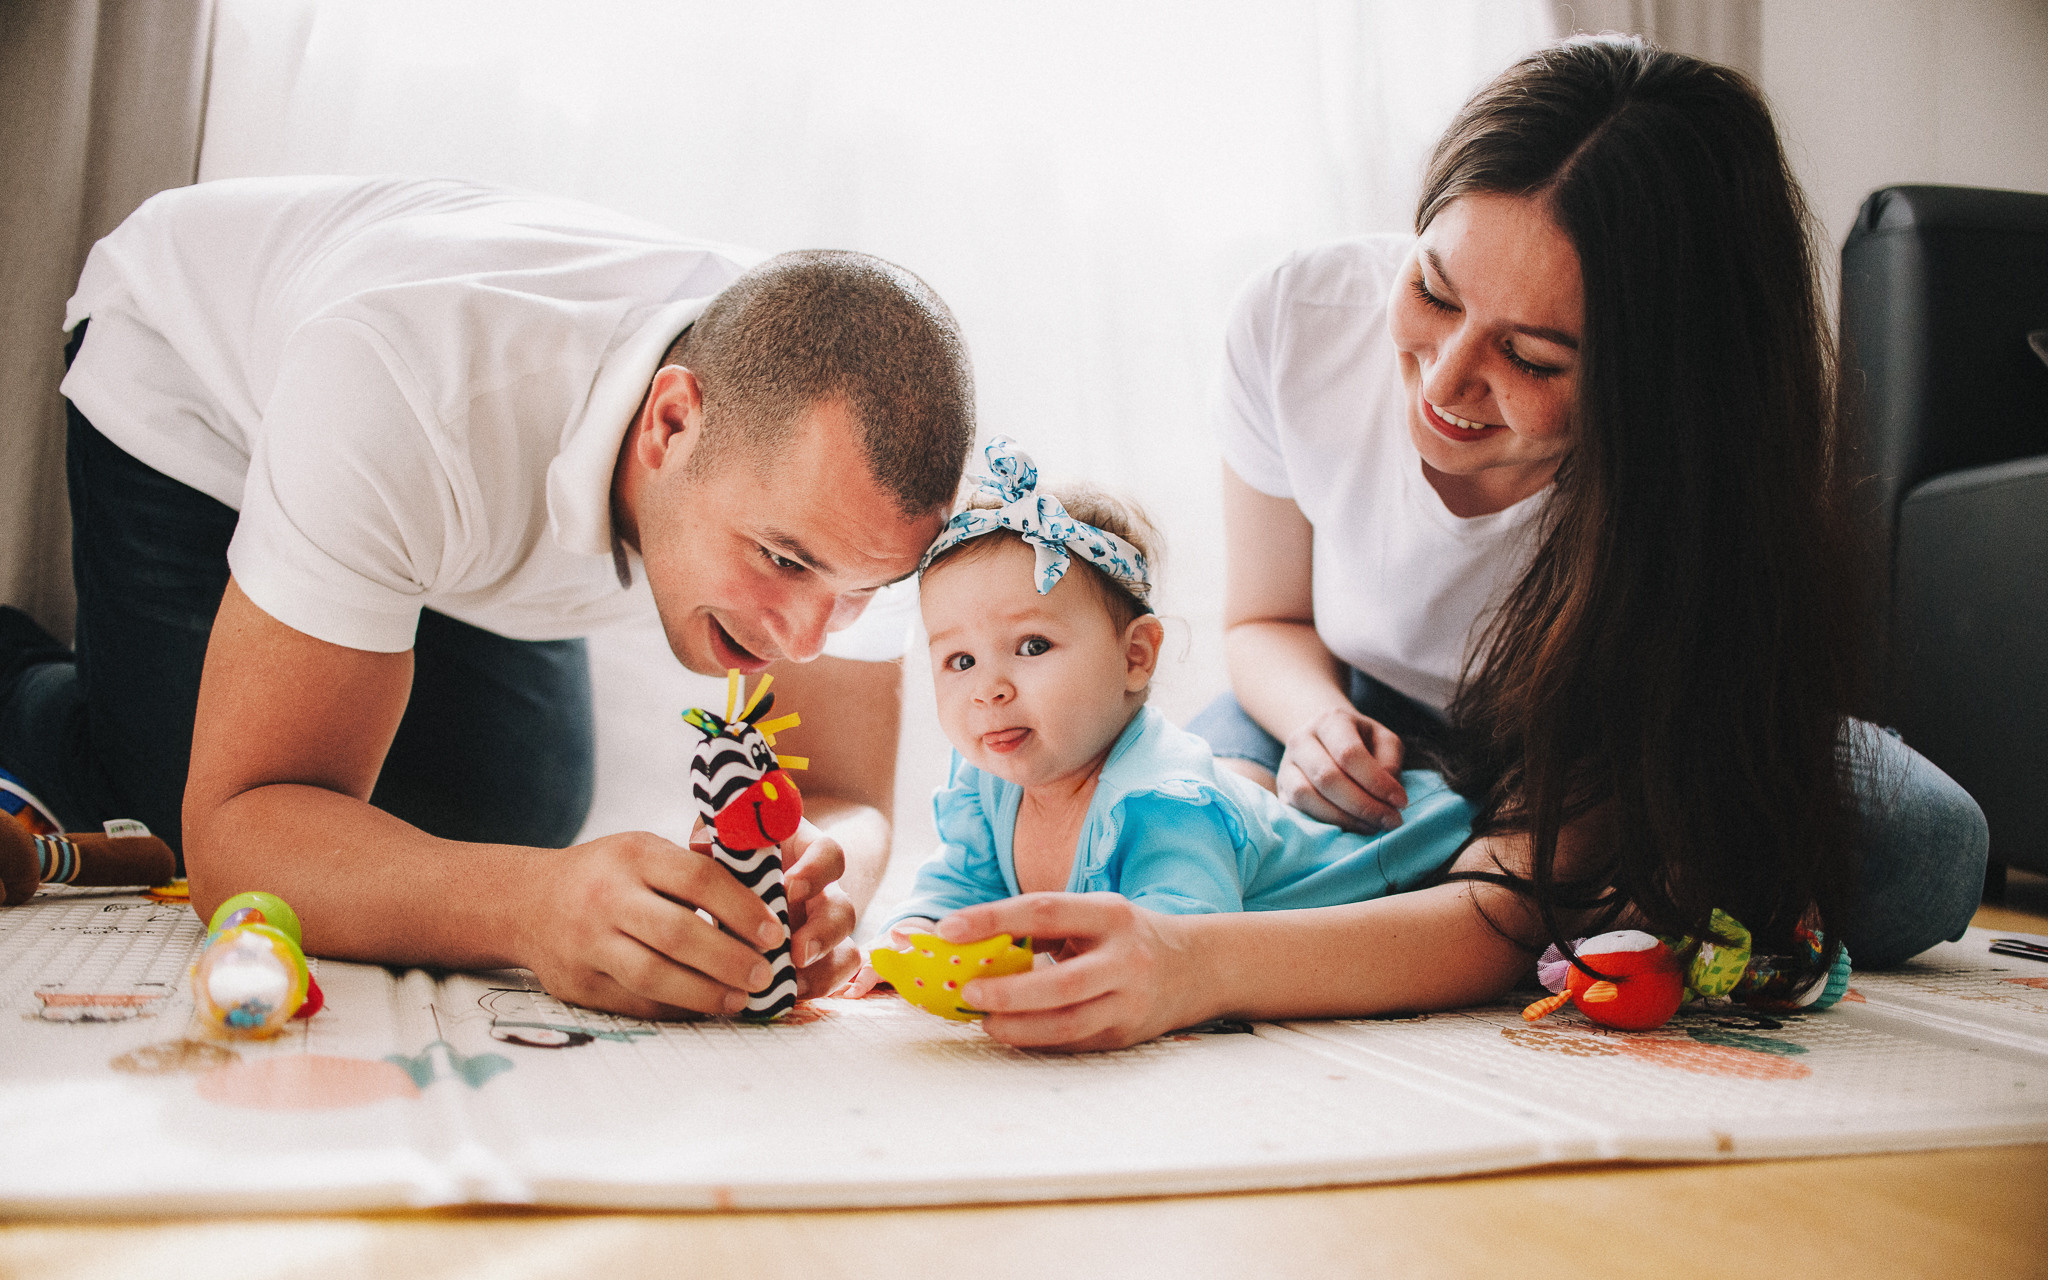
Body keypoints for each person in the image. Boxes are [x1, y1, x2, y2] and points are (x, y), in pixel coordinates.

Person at [914, 36, 1990, 1052]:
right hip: (1349, 697)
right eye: (1431, 289)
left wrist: (1191, 963)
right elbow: (1265, 618)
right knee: (1186, 805)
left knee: (1923, 850)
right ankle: (1452, 867)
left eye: (1530, 355)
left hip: (1580, 737)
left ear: (1657, 385)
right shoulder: (1295, 320)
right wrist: (1316, 720)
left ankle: (1580, 872)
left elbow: (1494, 916)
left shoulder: (1690, 507)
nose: (1443, 382)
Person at [0, 174, 975, 1020]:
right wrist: (528, 906)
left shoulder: (859, 488)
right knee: (182, 802)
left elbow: (841, 792)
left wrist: (826, 869)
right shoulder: (404, 389)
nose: (807, 641)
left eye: (862, 591)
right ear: (671, 423)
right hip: (196, 385)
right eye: (782, 560)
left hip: (428, 483)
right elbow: (237, 833)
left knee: (516, 811)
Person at [854, 443, 1470, 981]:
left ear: (1136, 657)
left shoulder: (1164, 801)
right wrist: (911, 941)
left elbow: (1180, 942)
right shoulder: (987, 786)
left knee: (1504, 850)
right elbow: (959, 890)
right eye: (959, 661)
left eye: (1032, 646)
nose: (989, 690)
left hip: (1412, 845)